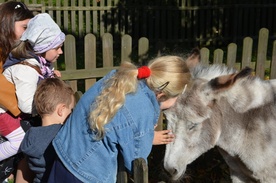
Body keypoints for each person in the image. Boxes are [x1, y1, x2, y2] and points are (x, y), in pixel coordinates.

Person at [48, 54, 194, 182]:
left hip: (63, 154)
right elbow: (135, 163)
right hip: (86, 175)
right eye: (177, 97)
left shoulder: (120, 77)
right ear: (162, 94)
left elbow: (115, 124)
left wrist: (145, 136)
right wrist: (145, 136)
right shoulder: (143, 111)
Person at [0, 13, 65, 182]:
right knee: (19, 140)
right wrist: (49, 105)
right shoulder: (27, 69)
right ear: (43, 47)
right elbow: (27, 106)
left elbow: (41, 77)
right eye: (57, 47)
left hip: (13, 111)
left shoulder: (39, 63)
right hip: (3, 112)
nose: (61, 51)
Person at [0, 1, 34, 182]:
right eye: (24, 27)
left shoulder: (10, 48)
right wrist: (19, 106)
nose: (27, 32)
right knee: (22, 139)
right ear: (7, 23)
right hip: (5, 109)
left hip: (6, 109)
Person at [20, 78, 75, 183]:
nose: (71, 115)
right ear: (61, 110)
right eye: (71, 110)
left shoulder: (30, 135)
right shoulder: (61, 133)